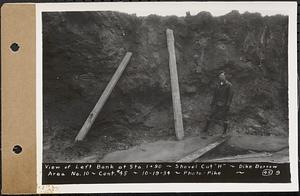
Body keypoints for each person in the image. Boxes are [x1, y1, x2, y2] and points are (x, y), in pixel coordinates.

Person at [203, 71, 233, 136]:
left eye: (222, 76)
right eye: (220, 76)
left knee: (225, 118)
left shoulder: (229, 85)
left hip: (224, 105)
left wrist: (227, 105)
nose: (220, 77)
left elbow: (230, 97)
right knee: (210, 115)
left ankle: (224, 133)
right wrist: (212, 103)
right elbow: (215, 95)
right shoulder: (219, 85)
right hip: (217, 103)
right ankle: (205, 130)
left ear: (225, 77)